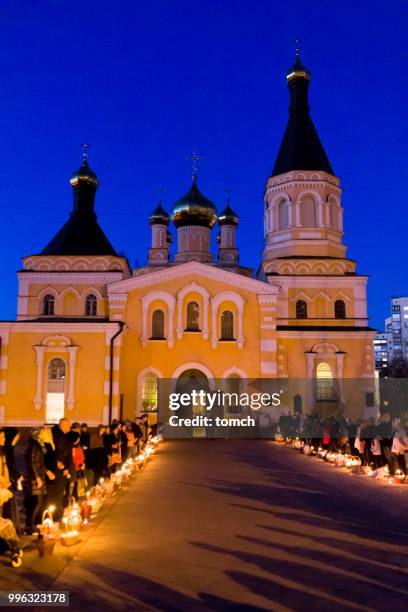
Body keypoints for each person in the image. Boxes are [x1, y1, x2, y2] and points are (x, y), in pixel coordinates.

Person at [24, 428, 48, 535]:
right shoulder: (35, 446)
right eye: (42, 433)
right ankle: (30, 526)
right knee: (38, 502)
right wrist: (37, 477)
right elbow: (33, 462)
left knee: (39, 502)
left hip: (39, 476)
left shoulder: (38, 445)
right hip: (36, 478)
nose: (44, 434)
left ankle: (32, 524)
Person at [51, 418, 72, 520]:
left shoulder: (62, 436)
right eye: (68, 424)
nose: (69, 426)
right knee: (58, 493)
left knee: (60, 492)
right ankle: (57, 516)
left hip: (62, 468)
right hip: (60, 469)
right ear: (62, 425)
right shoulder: (60, 437)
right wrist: (65, 468)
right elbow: (61, 454)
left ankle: (58, 514)